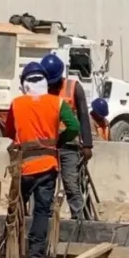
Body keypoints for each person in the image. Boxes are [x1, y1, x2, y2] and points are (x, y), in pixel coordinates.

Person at [3, 60, 81, 258]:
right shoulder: (57, 103)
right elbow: (75, 126)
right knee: (41, 212)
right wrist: (59, 140)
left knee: (16, 208)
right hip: (48, 166)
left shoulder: (17, 103)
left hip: (23, 167)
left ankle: (9, 253)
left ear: (24, 83)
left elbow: (9, 131)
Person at [41, 53, 93, 221]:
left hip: (69, 145)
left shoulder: (73, 87)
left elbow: (84, 116)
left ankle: (79, 221)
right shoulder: (41, 88)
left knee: (71, 185)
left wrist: (87, 145)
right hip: (48, 145)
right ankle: (45, 220)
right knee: (45, 185)